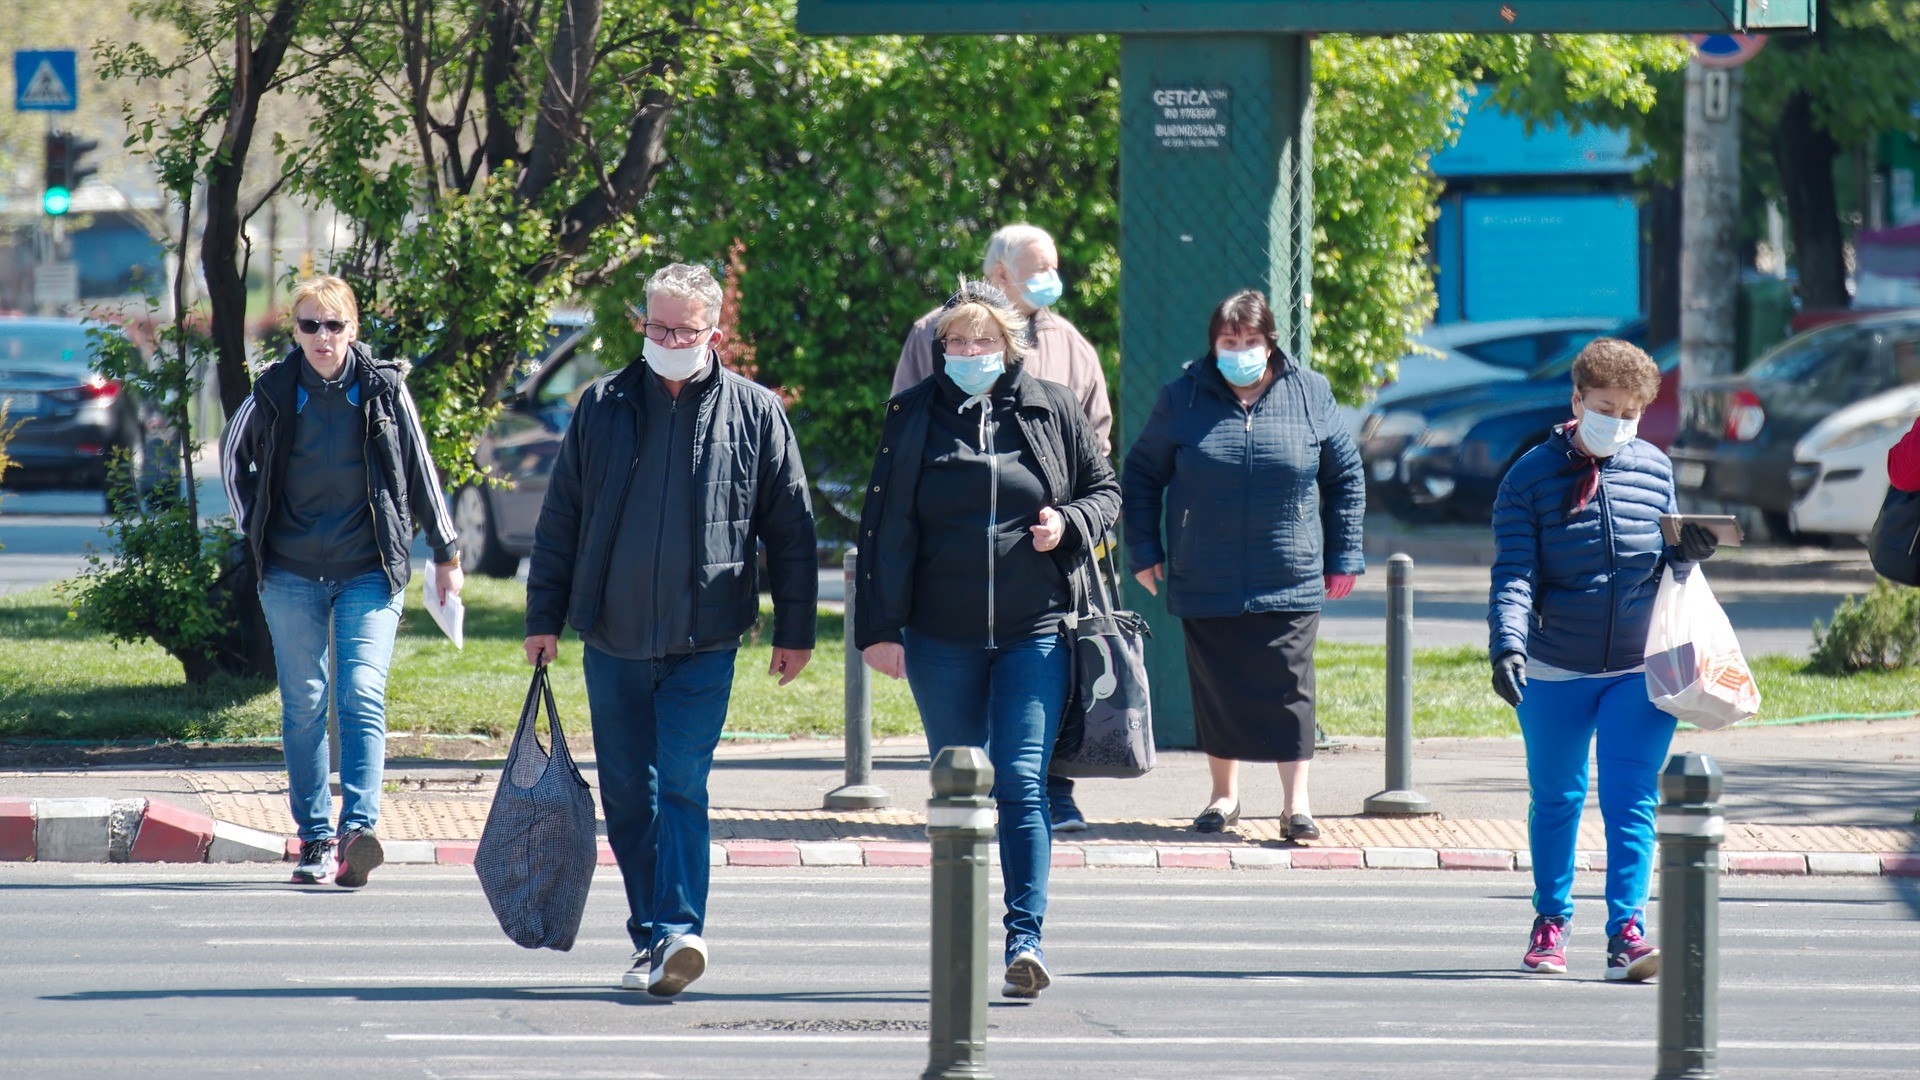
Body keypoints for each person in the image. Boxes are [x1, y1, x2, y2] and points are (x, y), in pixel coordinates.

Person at [523, 262, 817, 998]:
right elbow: (561, 519)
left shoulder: (756, 411)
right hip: (612, 638)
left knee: (683, 783)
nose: (668, 338)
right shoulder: (603, 404)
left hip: (706, 639)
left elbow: (793, 530)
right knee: (628, 796)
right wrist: (542, 617)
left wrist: (798, 629)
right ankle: (651, 934)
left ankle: (681, 930)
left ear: (715, 332)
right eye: (656, 326)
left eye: (684, 329)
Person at [857, 280, 1120, 1000]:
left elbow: (1106, 493)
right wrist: (876, 630)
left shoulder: (1050, 407)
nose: (969, 354)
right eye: (956, 343)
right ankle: (960, 933)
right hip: (939, 638)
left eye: (983, 342)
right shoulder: (912, 415)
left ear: (1010, 347)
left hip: (1034, 634)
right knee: (958, 785)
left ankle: (1024, 939)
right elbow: (878, 531)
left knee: (1021, 780)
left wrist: (1068, 523)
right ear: (939, 349)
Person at [1488, 337, 1720, 982]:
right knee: (1558, 796)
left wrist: (1690, 549)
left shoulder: (1653, 466)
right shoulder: (1529, 476)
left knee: (1631, 799)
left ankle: (1627, 931)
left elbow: (1668, 563)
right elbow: (1513, 574)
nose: (1615, 421)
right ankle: (1551, 921)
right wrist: (1506, 643)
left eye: (1629, 412)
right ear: (1576, 400)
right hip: (1555, 666)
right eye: (1603, 406)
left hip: (1637, 667)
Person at [220, 274, 461, 888]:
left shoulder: (383, 389)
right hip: (291, 572)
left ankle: (358, 832)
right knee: (304, 702)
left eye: (334, 325)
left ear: (353, 329)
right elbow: (232, 460)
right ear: (295, 331)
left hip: (368, 569)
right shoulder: (274, 391)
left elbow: (419, 466)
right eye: (309, 325)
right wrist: (258, 532)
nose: (322, 337)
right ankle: (315, 838)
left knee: (361, 692)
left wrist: (446, 549)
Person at [1122, 289, 1365, 842]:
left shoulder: (1310, 392)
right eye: (1229, 343)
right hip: (1205, 572)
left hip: (1291, 571)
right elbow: (1140, 476)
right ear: (1213, 347)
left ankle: (1296, 806)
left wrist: (1343, 554)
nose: (1241, 352)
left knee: (1289, 687)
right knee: (1218, 687)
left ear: (1270, 342)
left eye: (1251, 341)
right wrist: (1145, 550)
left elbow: (1345, 476)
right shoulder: (1181, 398)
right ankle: (1223, 797)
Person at [893, 223, 1112, 833]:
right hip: (948, 587)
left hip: (1043, 568)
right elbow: (908, 428)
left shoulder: (1070, 345)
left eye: (1054, 266)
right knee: (964, 751)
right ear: (998, 275)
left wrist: (1070, 518)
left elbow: (1096, 447)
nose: (1050, 280)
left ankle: (1053, 791)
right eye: (1036, 268)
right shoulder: (931, 334)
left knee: (1039, 715)